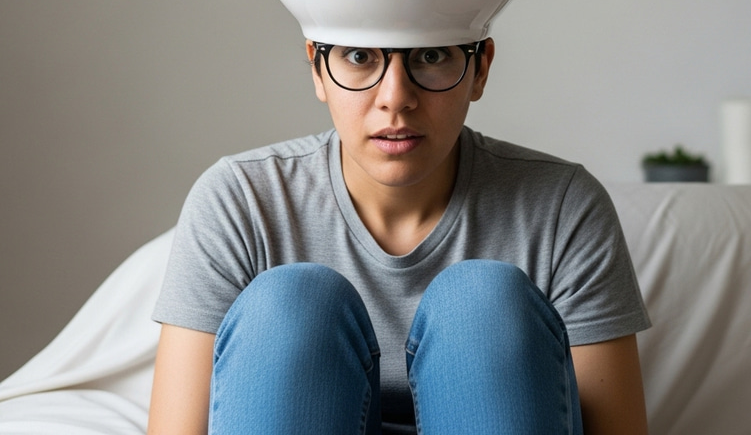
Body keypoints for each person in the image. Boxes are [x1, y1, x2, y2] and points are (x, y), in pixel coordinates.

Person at [147, 38, 650, 435]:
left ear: (480, 68)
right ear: (318, 69)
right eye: (360, 57)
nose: (395, 99)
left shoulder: (563, 205)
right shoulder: (239, 200)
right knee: (293, 301)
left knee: (480, 303)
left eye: (431, 57)